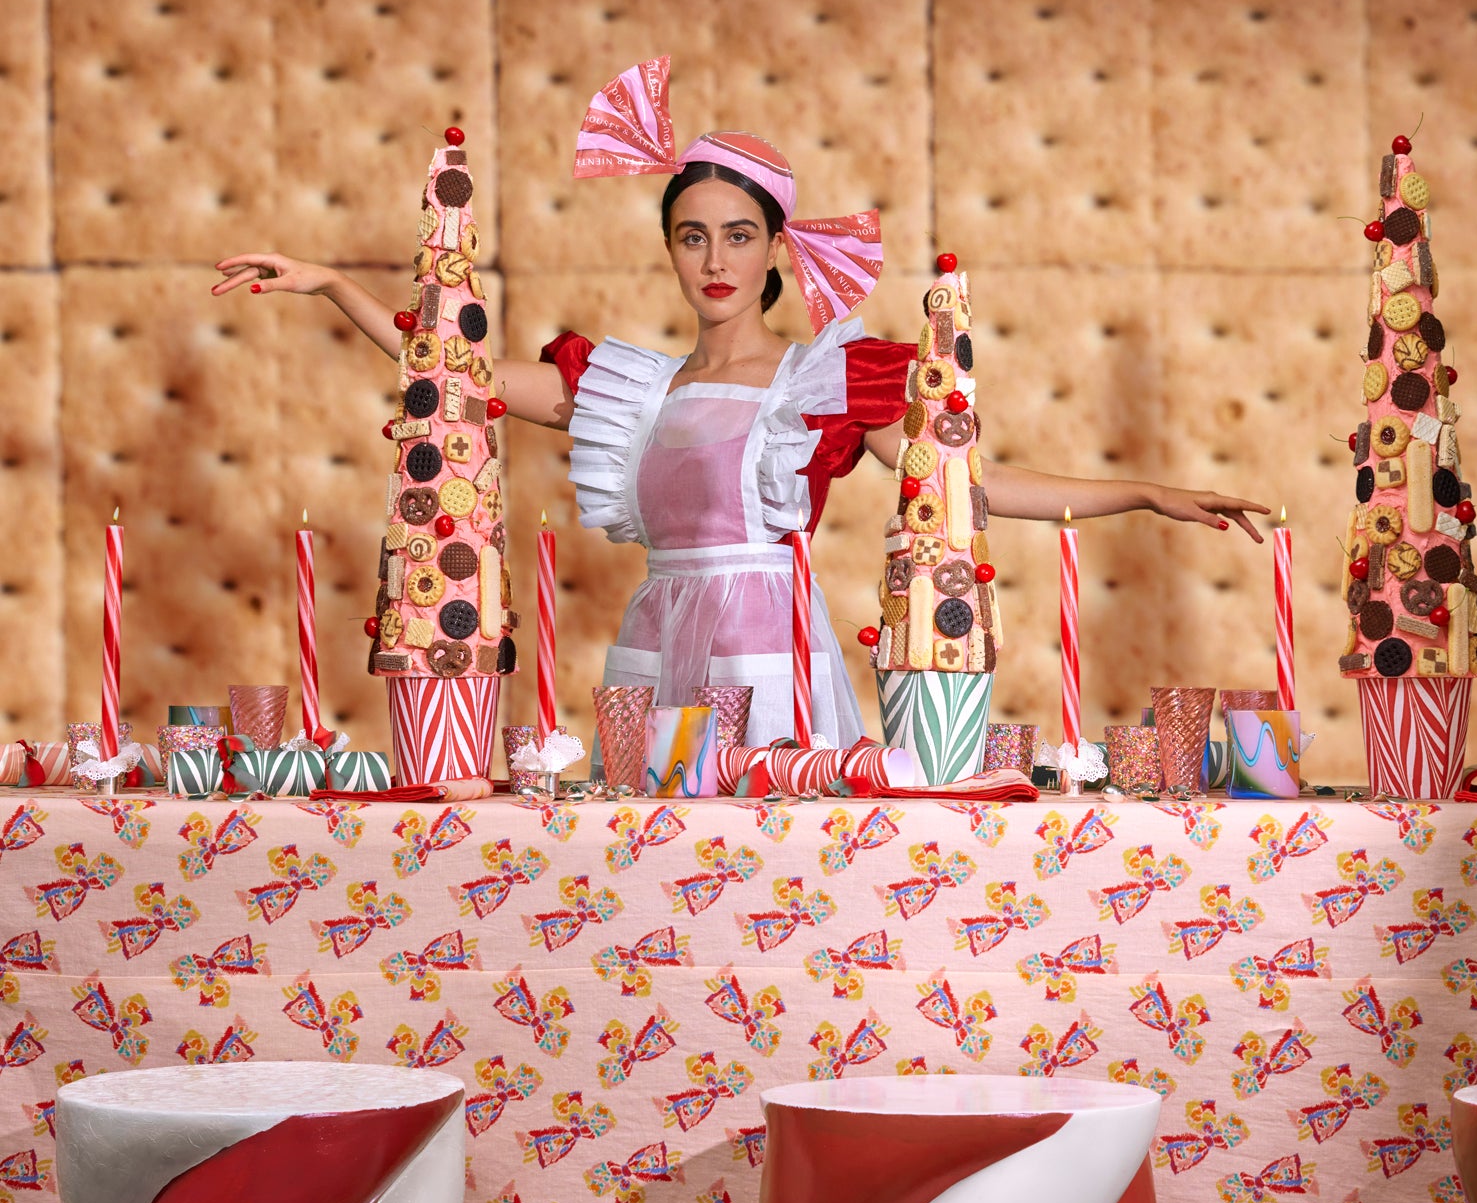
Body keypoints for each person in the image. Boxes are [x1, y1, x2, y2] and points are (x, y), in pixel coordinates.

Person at [215, 57, 1269, 747]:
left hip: (770, 639)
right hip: (657, 631)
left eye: (736, 233)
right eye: (690, 233)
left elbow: (964, 482)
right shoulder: (629, 384)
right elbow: (458, 377)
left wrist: (1143, 492)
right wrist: (336, 286)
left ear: (775, 248)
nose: (713, 257)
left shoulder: (826, 381)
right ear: (670, 247)